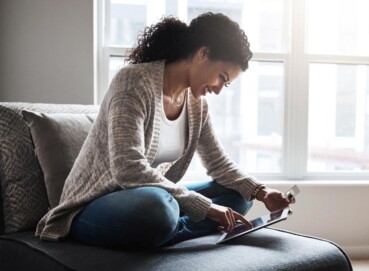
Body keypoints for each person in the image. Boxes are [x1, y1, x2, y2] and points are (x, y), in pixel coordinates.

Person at [35, 13, 291, 249]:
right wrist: (207, 209)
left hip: (149, 199)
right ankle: (165, 228)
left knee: (239, 196)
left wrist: (261, 191)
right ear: (203, 53)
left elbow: (218, 162)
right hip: (94, 205)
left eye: (227, 83)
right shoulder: (133, 82)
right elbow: (128, 168)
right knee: (158, 208)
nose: (219, 88)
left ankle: (163, 232)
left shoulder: (196, 104)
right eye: (222, 77)